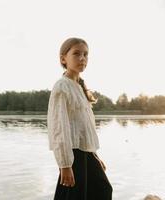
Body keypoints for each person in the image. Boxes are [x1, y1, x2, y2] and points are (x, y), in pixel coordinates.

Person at [47, 37, 113, 200]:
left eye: (85, 54)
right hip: (73, 155)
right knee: (74, 196)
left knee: (102, 190)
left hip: (86, 153)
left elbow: (84, 129)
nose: (82, 58)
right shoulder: (62, 86)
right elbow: (59, 127)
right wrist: (65, 164)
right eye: (76, 54)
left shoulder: (79, 87)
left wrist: (94, 156)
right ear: (63, 58)